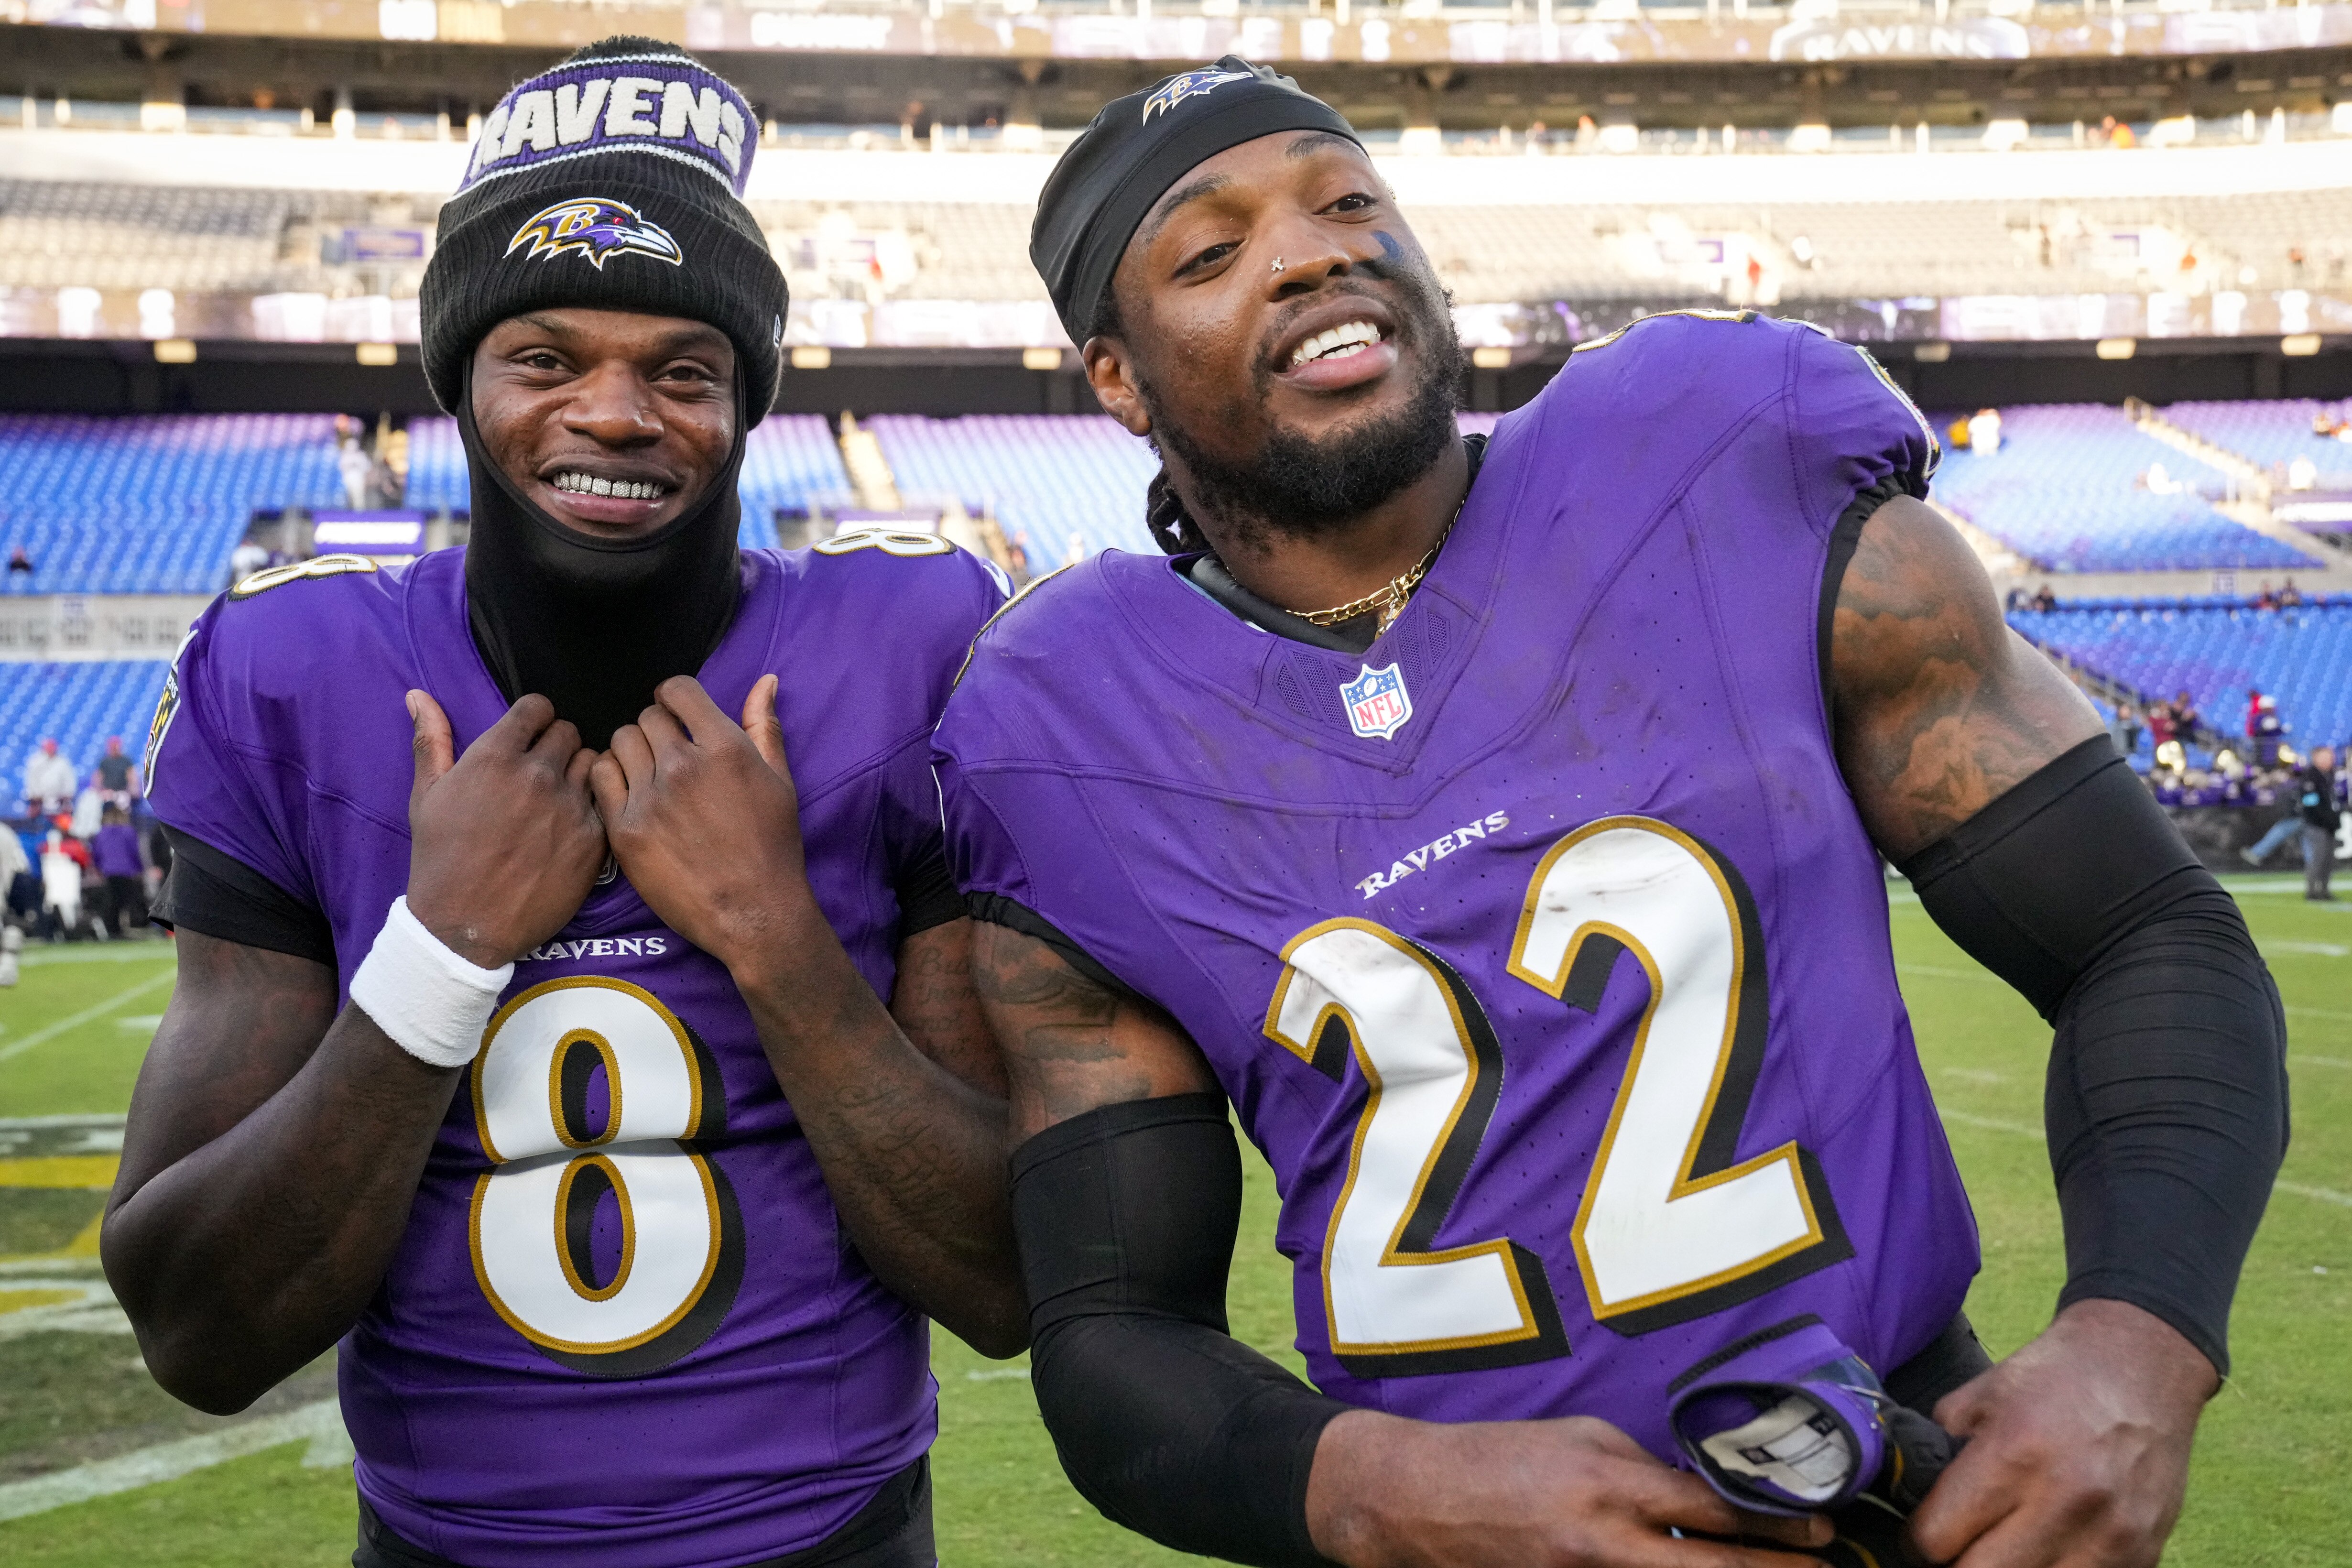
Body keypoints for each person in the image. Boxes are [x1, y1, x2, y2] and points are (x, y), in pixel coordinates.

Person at [932, 61, 2287, 1568]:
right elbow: (1113, 1334)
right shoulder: (1059, 726)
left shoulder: (1710, 457)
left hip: (1901, 1485)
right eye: (1210, 249)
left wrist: (2134, 1333)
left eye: (1346, 203)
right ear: (1114, 375)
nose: (1310, 251)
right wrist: (1378, 1488)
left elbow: (2138, 934)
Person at [104, 39, 1021, 1568]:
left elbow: (1002, 1278)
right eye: (545, 358)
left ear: (745, 403)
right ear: (461, 383)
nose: (615, 412)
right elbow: (199, 1328)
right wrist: (441, 948)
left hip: (836, 1531)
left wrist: (776, 941)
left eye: (682, 369)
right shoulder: (291, 669)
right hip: (445, 1541)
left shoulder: (906, 644)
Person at [91, 803, 145, 936]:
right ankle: (125, 927)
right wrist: (140, 869)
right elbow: (134, 852)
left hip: (109, 871)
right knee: (125, 901)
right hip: (126, 871)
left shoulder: (102, 833)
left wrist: (98, 868)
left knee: (112, 902)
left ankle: (112, 929)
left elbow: (97, 853)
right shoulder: (129, 831)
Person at [2297, 745, 2341, 901]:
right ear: (2316, 758)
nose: (2331, 760)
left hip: (2329, 824)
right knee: (2318, 858)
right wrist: (2326, 818)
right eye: (2326, 757)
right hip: (2316, 824)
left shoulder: (2329, 775)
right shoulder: (2311, 776)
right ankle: (2312, 890)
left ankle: (2324, 889)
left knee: (2329, 860)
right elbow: (2310, 802)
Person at [22, 738, 75, 816]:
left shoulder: (63, 763)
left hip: (59, 800)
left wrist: (66, 796)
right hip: (39, 800)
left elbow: (69, 782)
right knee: (32, 813)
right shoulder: (35, 762)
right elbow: (31, 781)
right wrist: (36, 796)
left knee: (68, 812)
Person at [94, 734, 140, 805]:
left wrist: (133, 791)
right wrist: (99, 791)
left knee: (122, 801)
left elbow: (132, 777)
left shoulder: (126, 761)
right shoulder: (104, 762)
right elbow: (99, 778)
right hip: (107, 792)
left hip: (122, 792)